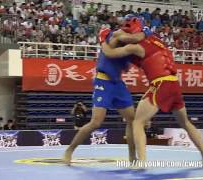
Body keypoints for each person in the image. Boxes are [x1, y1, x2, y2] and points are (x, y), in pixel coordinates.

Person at [100, 16, 203, 162]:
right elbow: (147, 56)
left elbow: (109, 53)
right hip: (174, 85)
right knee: (186, 123)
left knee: (137, 122)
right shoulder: (158, 40)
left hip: (160, 84)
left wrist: (102, 39)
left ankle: (142, 161)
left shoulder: (136, 47)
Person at [62, 22, 152, 165]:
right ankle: (70, 150)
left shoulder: (131, 46)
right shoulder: (114, 35)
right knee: (96, 122)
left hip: (118, 84)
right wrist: (146, 33)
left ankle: (132, 157)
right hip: (103, 82)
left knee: (132, 120)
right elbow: (131, 39)